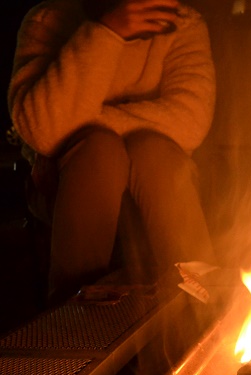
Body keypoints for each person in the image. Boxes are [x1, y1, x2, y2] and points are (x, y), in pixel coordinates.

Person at [8, 0, 217, 303]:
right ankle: (78, 318)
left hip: (156, 182)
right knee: (100, 151)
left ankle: (200, 305)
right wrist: (107, 32)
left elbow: (190, 121)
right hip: (65, 184)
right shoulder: (49, 19)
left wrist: (81, 123)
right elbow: (40, 125)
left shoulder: (182, 24)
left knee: (154, 153)